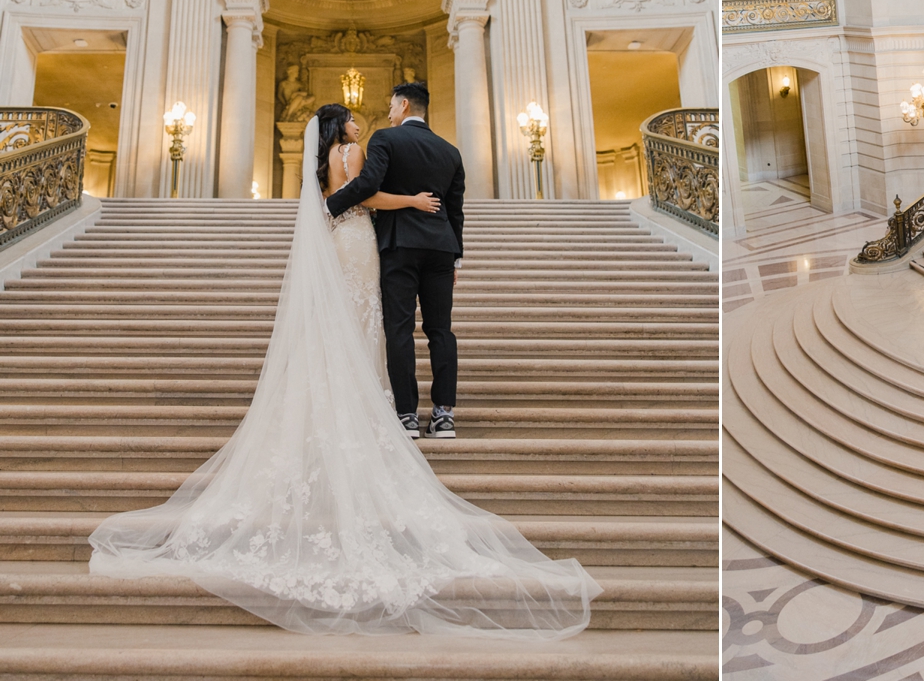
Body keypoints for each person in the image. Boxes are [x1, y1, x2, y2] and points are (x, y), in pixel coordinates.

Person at [87, 100, 600, 637]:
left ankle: (348, 403)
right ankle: (394, 406)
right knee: (367, 327)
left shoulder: (320, 158)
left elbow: (335, 197)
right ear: (342, 127)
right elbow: (366, 194)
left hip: (338, 242)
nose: (361, 122)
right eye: (352, 118)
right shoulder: (357, 150)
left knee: (350, 327)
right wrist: (414, 200)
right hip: (359, 240)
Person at [323, 82, 463, 441]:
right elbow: (455, 211)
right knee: (440, 330)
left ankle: (407, 416)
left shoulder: (386, 139)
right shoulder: (451, 151)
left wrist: (329, 207)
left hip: (399, 245)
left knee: (399, 329)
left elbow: (367, 184)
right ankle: (444, 415)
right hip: (441, 249)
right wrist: (456, 261)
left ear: (403, 105)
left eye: (390, 106)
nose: (387, 113)